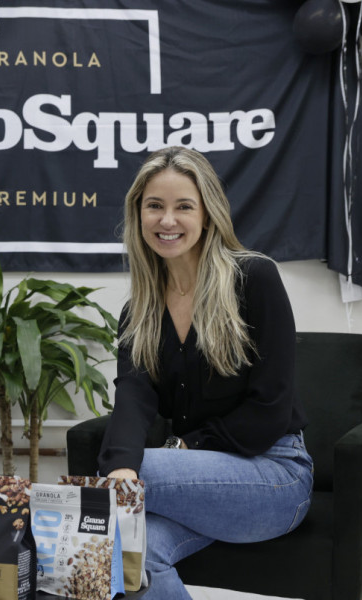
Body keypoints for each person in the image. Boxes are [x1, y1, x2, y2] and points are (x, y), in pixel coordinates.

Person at [98, 146, 313, 599]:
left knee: (139, 471)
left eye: (183, 207)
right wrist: (119, 467)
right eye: (154, 206)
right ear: (138, 214)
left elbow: (271, 407)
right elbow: (133, 399)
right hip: (196, 483)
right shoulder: (138, 310)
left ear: (208, 213)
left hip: (275, 475)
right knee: (126, 552)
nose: (167, 220)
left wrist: (179, 448)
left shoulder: (254, 278)